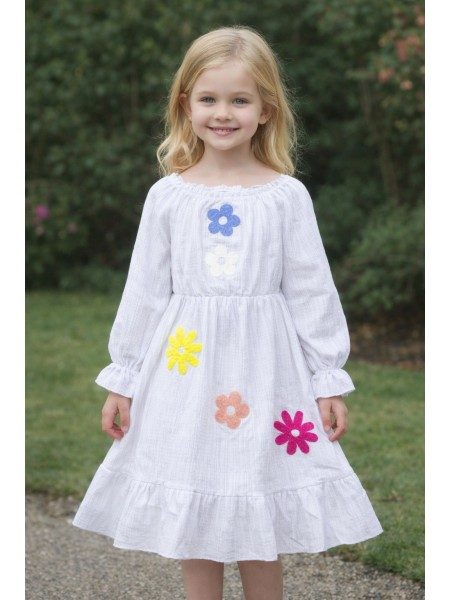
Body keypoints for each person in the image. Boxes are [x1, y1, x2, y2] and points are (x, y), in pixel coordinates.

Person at [72, 25, 383, 600]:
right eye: (209, 99)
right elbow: (144, 292)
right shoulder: (169, 196)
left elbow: (312, 290)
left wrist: (327, 379)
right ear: (185, 105)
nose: (223, 113)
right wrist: (124, 379)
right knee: (198, 501)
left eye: (239, 100)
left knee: (258, 501)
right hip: (186, 374)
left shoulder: (285, 197)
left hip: (267, 373)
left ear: (266, 109)